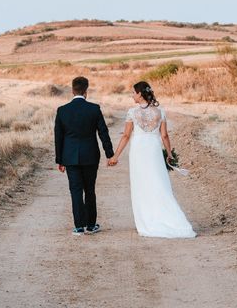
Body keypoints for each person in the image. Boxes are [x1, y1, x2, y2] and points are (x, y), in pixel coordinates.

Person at [108, 81, 196, 238]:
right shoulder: (160, 111)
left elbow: (126, 136)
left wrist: (116, 156)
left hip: (139, 151)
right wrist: (169, 154)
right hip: (153, 149)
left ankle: (148, 220)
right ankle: (172, 219)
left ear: (140, 94)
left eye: (133, 93)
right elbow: (164, 135)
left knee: (142, 184)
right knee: (159, 183)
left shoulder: (132, 112)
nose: (132, 95)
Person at [54, 76, 114, 235]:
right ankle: (91, 225)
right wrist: (110, 154)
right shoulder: (94, 109)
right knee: (90, 190)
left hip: (70, 157)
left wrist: (59, 160)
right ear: (86, 91)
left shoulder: (62, 110)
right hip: (90, 156)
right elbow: (103, 133)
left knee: (75, 190)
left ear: (72, 90)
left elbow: (58, 137)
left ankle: (78, 226)